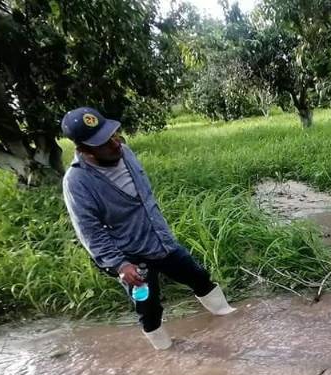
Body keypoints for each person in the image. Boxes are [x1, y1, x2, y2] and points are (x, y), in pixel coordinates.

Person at [61, 107, 235, 350]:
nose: (114, 144)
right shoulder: (77, 182)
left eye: (113, 135)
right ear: (84, 150)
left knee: (199, 276)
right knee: (148, 308)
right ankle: (165, 351)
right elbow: (89, 231)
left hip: (160, 241)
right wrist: (120, 265)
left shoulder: (125, 152)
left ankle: (228, 317)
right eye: (103, 143)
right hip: (131, 257)